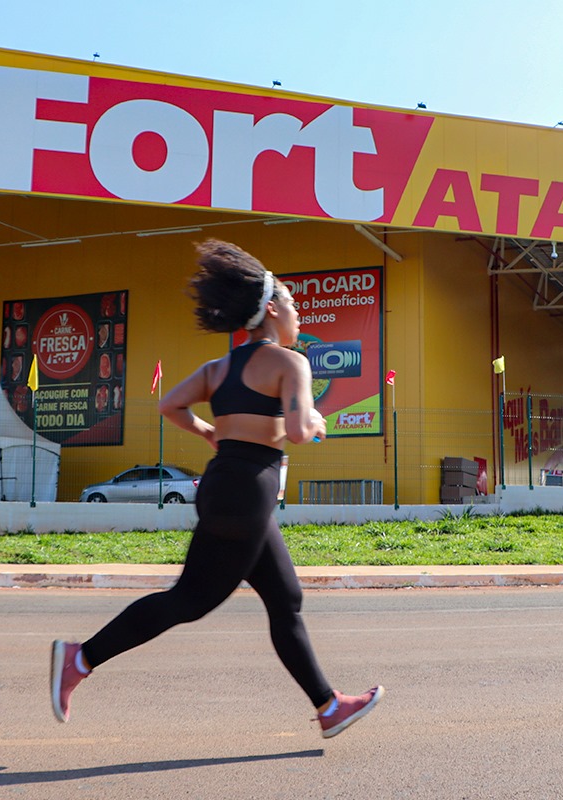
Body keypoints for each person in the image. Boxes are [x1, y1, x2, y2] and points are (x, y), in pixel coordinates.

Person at [50, 239, 382, 739]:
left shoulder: (217, 369)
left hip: (231, 487)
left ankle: (329, 705)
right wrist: (313, 418)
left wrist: (209, 432)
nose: (296, 311)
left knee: (285, 597)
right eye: (291, 302)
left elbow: (170, 406)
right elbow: (295, 431)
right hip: (247, 493)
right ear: (271, 309)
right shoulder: (291, 363)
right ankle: (80, 658)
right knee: (188, 601)